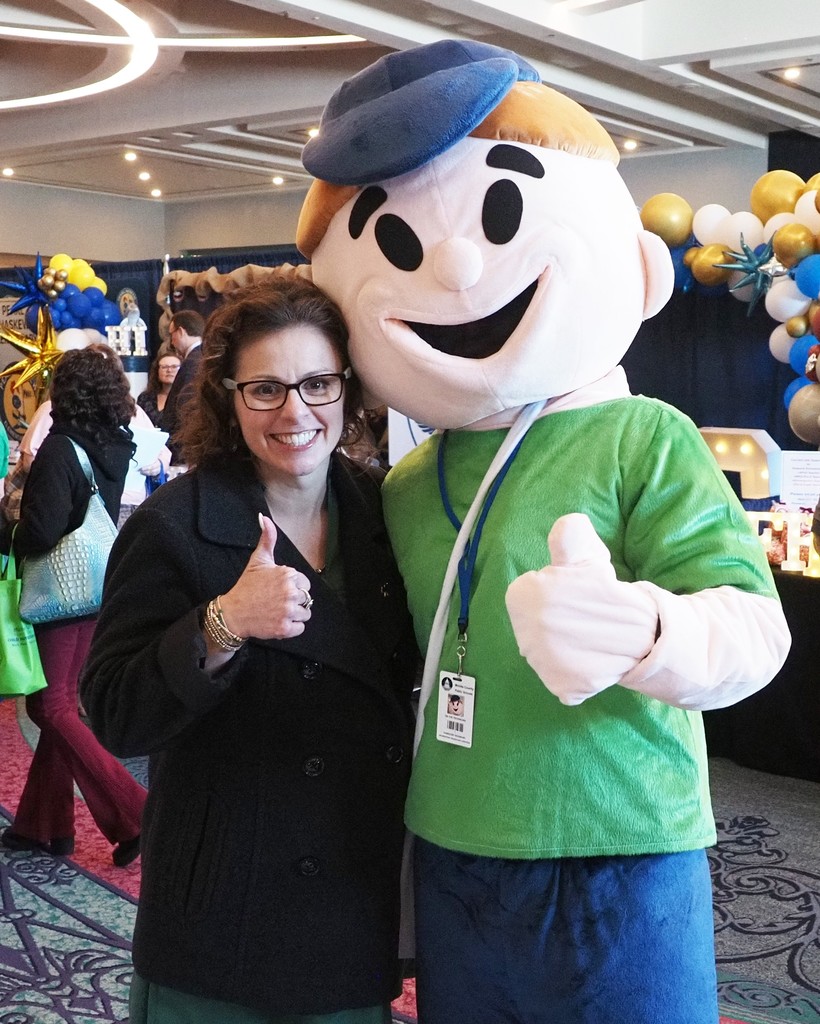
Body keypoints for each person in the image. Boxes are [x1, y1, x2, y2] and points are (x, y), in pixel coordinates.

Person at [297, 40, 791, 1024]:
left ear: (639, 266)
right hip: (453, 842)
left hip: (619, 838)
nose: (462, 263)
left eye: (500, 213)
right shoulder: (400, 483)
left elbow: (753, 627)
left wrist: (645, 632)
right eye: (396, 247)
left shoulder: (644, 436)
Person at [80, 277, 418, 1022]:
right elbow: (112, 713)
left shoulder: (384, 513)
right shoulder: (176, 526)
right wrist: (223, 624)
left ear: (348, 391)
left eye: (318, 384)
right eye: (266, 389)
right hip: (224, 921)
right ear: (229, 398)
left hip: (349, 908)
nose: (296, 412)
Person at [0, 346, 146, 863]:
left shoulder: (61, 449)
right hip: (96, 586)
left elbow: (40, 530)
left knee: (51, 704)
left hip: (59, 591)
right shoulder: (114, 444)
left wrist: (4, 529)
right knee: (56, 700)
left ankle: (136, 813)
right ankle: (45, 825)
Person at [162, 308, 205, 464]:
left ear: (180, 332)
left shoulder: (194, 362)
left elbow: (185, 407)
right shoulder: (203, 356)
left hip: (183, 448)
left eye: (171, 334)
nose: (171, 340)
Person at [137, 342, 181, 428]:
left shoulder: (185, 399)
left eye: (174, 367)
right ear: (157, 371)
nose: (169, 370)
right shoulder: (145, 398)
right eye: (164, 367)